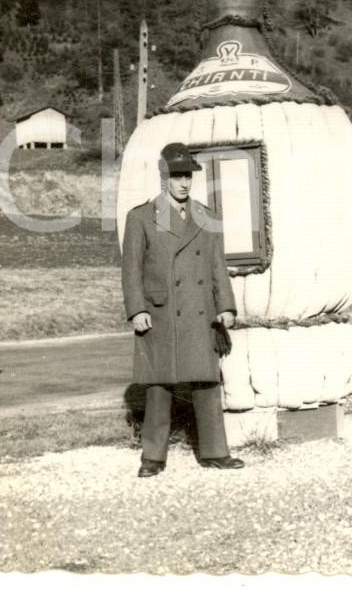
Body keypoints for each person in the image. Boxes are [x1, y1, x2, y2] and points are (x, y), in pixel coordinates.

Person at [121, 142, 245, 477]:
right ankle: (153, 457)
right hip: (160, 312)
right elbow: (131, 269)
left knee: (206, 383)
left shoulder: (206, 216)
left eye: (188, 176)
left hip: (200, 311)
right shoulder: (142, 217)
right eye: (177, 176)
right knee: (158, 385)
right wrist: (137, 310)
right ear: (164, 178)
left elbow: (218, 266)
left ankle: (215, 452)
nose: (184, 183)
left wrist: (226, 307)